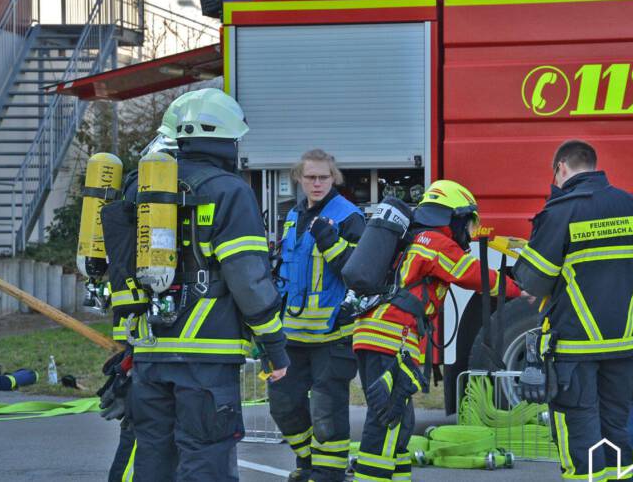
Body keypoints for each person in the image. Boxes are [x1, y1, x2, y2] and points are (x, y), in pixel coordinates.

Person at [121, 88, 288, 481]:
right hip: (206, 357)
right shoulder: (229, 191)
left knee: (153, 459)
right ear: (226, 140)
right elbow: (248, 280)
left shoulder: (139, 189)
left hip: (149, 352)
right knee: (206, 460)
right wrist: (274, 346)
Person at [352, 180, 524, 482]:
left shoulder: (412, 239)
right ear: (453, 215)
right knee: (387, 419)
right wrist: (516, 290)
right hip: (393, 337)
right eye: (467, 221)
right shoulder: (435, 241)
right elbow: (470, 274)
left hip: (371, 333)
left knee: (401, 419)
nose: (467, 232)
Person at [514, 140, 633, 481]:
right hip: (624, 343)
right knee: (617, 429)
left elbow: (533, 280)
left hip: (576, 346)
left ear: (561, 167)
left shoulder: (560, 212)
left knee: (580, 429)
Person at [269, 149, 365, 482]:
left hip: (332, 337)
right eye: (310, 177)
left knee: (327, 412)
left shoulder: (348, 216)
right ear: (299, 178)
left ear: (334, 178)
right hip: (291, 336)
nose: (317, 183)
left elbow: (362, 272)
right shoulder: (293, 215)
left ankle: (329, 473)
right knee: (282, 406)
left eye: (324, 176)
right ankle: (309, 462)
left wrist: (332, 243)